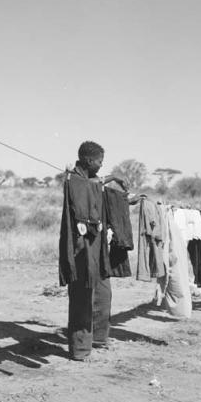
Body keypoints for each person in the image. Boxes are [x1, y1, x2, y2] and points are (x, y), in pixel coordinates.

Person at [59, 140, 136, 361]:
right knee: (82, 297)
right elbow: (90, 188)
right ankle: (80, 350)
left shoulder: (91, 181)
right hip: (81, 249)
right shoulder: (74, 180)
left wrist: (124, 200)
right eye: (99, 161)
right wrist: (112, 177)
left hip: (98, 247)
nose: (101, 165)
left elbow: (98, 190)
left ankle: (99, 338)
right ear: (88, 160)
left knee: (103, 293)